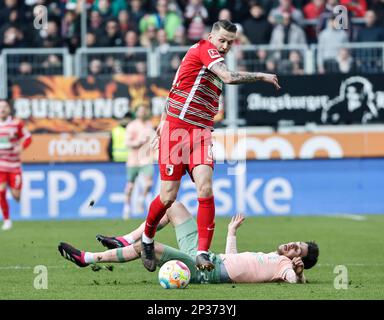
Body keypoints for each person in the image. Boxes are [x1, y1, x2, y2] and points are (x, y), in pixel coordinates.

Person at [141, 19, 281, 273]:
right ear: (211, 37)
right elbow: (227, 78)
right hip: (177, 131)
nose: (226, 45)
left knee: (205, 187)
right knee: (168, 197)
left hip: (201, 132)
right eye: (222, 40)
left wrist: (162, 118)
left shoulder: (210, 60)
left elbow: (175, 89)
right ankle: (147, 237)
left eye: (230, 42)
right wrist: (261, 75)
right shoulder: (205, 49)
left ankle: (202, 252)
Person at [58, 201, 319, 284]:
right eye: (295, 242)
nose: (291, 246)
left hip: (205, 271)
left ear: (299, 258)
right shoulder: (270, 256)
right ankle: (124, 239)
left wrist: (299, 273)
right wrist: (232, 232)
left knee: (148, 247)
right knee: (174, 206)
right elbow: (233, 260)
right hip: (208, 257)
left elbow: (294, 281)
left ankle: (88, 258)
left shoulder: (284, 266)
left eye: (298, 249)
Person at [0, 99, 32, 231]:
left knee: (16, 196)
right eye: (0, 107)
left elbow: (28, 137)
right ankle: (7, 220)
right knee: (0, 191)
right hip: (1, 165)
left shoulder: (16, 123)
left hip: (14, 166)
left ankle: (15, 193)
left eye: (4, 107)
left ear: (9, 109)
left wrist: (21, 147)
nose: (2, 109)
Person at [122, 105, 156, 219]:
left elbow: (153, 140)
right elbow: (127, 143)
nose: (142, 113)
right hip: (133, 160)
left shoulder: (149, 125)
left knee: (149, 183)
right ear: (136, 113)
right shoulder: (132, 126)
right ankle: (126, 208)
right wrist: (138, 142)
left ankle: (141, 199)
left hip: (146, 159)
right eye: (140, 111)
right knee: (130, 186)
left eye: (144, 111)